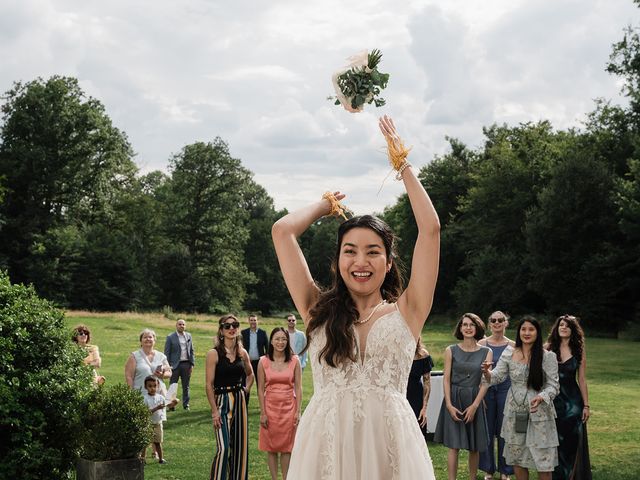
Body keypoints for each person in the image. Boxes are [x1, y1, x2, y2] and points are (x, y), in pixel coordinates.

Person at [272, 115, 440, 479]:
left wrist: (402, 164)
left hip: (390, 448)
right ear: (338, 259)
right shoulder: (316, 309)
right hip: (326, 448)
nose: (360, 262)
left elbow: (430, 229)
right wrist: (325, 205)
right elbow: (282, 231)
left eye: (372, 251)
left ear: (388, 261)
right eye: (350, 250)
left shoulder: (409, 310)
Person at [482, 316, 560, 480]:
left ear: (537, 333)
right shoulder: (510, 352)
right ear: (518, 332)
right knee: (518, 459)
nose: (526, 333)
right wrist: (487, 373)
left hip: (539, 413)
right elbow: (496, 377)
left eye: (531, 329)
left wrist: (542, 397)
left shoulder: (547, 356)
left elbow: (554, 386)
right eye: (523, 329)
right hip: (515, 413)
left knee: (543, 460)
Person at [434, 313, 492, 480]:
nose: (468, 327)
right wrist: (449, 405)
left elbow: (485, 382)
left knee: (474, 446)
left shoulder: (486, 352)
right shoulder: (450, 350)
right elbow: (446, 379)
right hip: (454, 398)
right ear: (460, 328)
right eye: (464, 324)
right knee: (454, 446)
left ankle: (472, 478)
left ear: (477, 327)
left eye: (471, 324)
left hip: (475, 398)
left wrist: (475, 406)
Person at [205, 314, 254, 480]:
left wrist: (245, 390)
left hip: (239, 400)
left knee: (240, 448)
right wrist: (214, 411)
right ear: (221, 330)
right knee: (224, 447)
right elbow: (208, 385)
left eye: (235, 325)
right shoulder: (214, 353)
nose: (232, 328)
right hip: (221, 401)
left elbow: (250, 374)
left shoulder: (242, 352)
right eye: (227, 326)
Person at [546, 315, 592, 480]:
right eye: (561, 325)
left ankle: (571, 476)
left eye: (567, 325)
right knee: (555, 441)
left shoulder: (578, 349)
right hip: (553, 402)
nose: (563, 327)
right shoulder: (549, 347)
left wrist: (586, 406)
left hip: (573, 403)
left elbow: (581, 379)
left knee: (572, 441)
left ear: (573, 329)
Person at [257, 327, 302, 480]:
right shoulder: (263, 361)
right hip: (270, 408)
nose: (281, 342)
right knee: (271, 447)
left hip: (289, 407)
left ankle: (286, 478)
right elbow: (260, 388)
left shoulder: (294, 360)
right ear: (271, 341)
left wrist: (298, 411)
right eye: (277, 339)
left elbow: (298, 386)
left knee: (286, 448)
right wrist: (262, 413)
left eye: (284, 339)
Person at [479, 311, 516, 480]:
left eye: (500, 320)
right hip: (486, 390)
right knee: (486, 429)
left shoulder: (514, 346)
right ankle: (488, 469)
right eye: (493, 320)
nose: (497, 323)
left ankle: (505, 471)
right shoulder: (482, 344)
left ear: (505, 323)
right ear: (489, 323)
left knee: (504, 430)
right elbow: (477, 372)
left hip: (506, 390)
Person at [142, 375, 178, 464]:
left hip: (158, 423)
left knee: (158, 442)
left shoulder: (161, 397)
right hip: (147, 423)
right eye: (150, 386)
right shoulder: (144, 398)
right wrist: (157, 408)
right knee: (145, 443)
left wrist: (174, 402)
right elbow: (145, 412)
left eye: (155, 386)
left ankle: (161, 459)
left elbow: (168, 405)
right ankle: (143, 459)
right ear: (145, 387)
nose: (152, 388)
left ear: (158, 386)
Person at [125, 328, 172, 393]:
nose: (148, 339)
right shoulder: (134, 356)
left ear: (154, 340)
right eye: (145, 337)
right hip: (141, 394)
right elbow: (129, 377)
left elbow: (169, 373)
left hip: (159, 395)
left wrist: (162, 375)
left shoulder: (161, 356)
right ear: (141, 341)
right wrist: (131, 393)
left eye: (150, 337)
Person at [164, 318, 196, 411]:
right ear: (176, 325)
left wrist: (192, 364)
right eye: (180, 324)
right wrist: (167, 366)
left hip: (186, 364)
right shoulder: (170, 337)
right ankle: (171, 405)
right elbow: (167, 352)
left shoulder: (189, 336)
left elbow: (192, 351)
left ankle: (186, 404)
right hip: (174, 365)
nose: (181, 326)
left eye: (183, 324)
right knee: (173, 385)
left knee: (186, 386)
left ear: (185, 326)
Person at [406, 337, 433, 440]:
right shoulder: (396, 353)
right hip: (399, 395)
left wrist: (424, 408)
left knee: (418, 432)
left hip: (416, 398)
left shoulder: (423, 355)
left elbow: (427, 382)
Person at [241, 313, 268, 401]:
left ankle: (263, 404)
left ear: (257, 321)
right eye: (251, 320)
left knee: (261, 384)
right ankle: (245, 403)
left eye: (255, 320)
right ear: (249, 321)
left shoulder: (262, 333)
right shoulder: (243, 333)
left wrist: (266, 361)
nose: (253, 322)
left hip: (259, 362)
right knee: (245, 383)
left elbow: (267, 348)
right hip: (246, 363)